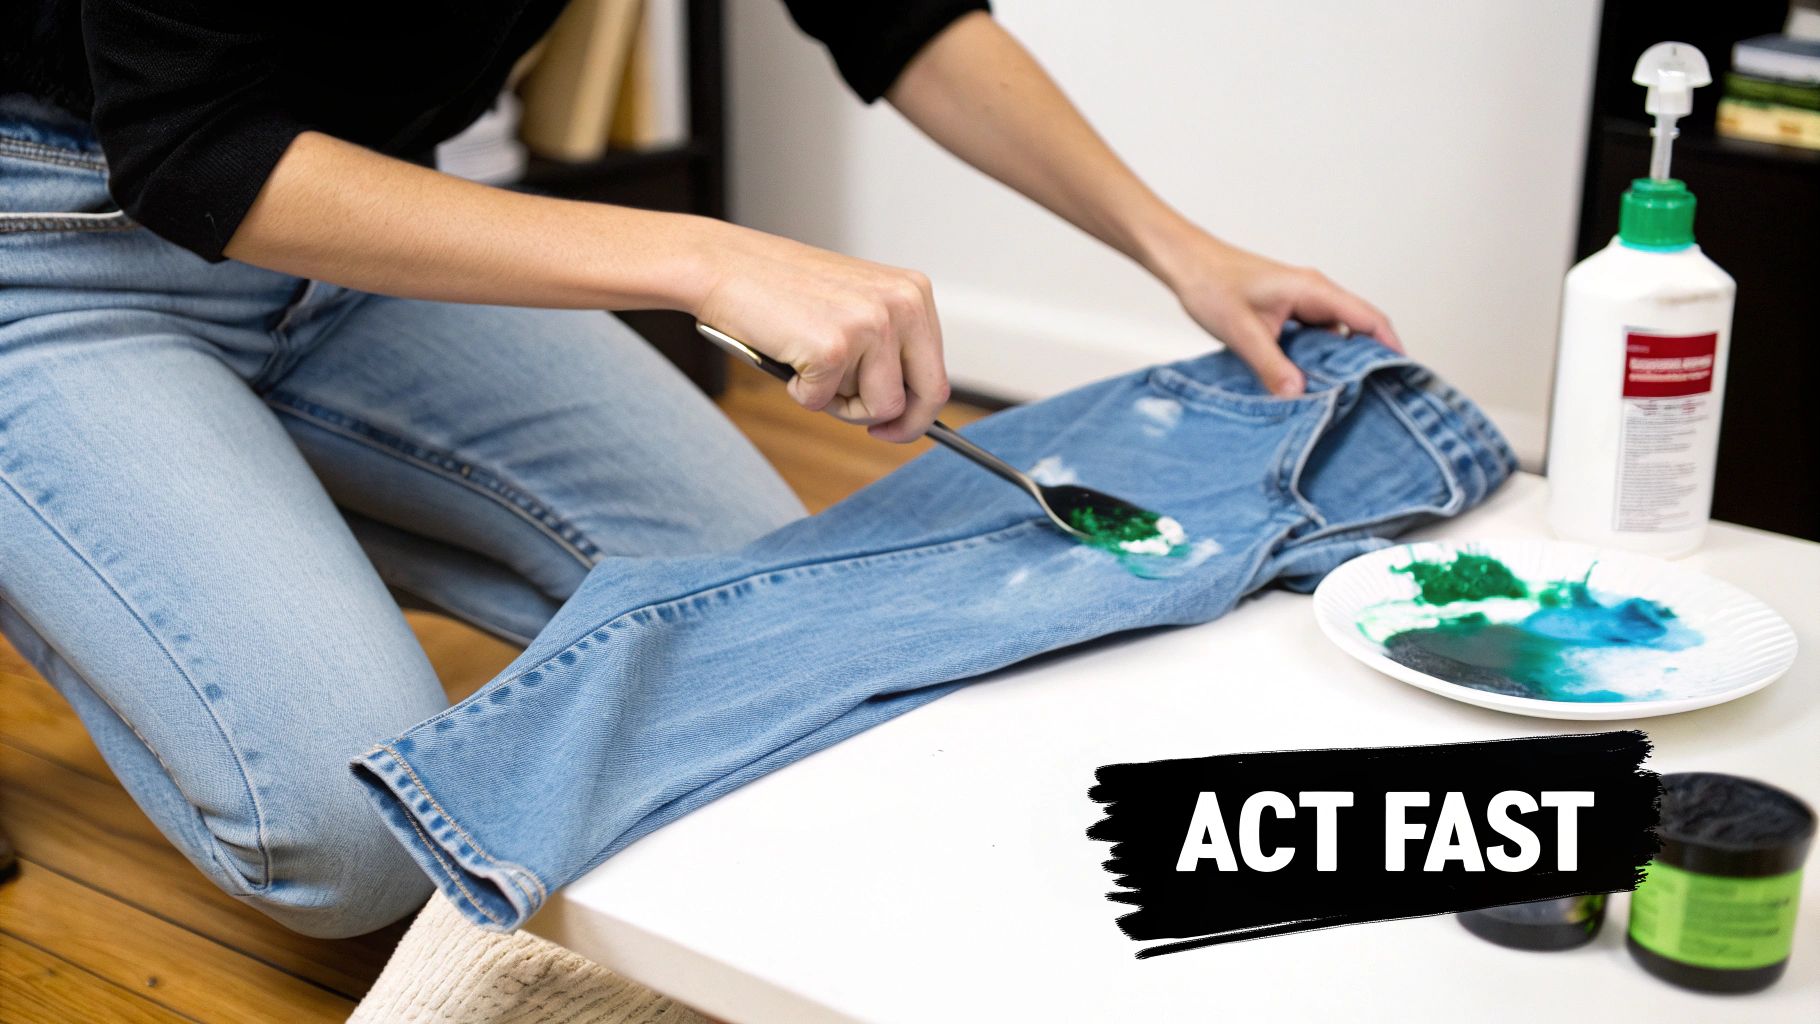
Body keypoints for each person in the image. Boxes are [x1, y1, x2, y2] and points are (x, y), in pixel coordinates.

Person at [0, 1, 1402, 938]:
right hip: (55, 244)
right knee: (359, 853)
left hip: (366, 231)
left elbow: (895, 10)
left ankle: (221, 485)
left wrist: (1181, 249)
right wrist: (708, 257)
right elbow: (195, 148)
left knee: (784, 630)